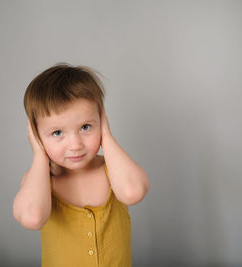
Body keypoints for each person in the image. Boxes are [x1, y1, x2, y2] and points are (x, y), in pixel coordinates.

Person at [13, 63, 150, 266]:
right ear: (36, 135)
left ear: (101, 120)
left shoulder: (112, 170)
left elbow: (133, 192)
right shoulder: (39, 180)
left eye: (86, 127)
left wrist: (107, 136)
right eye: (57, 133)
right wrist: (39, 156)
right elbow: (32, 217)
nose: (75, 145)